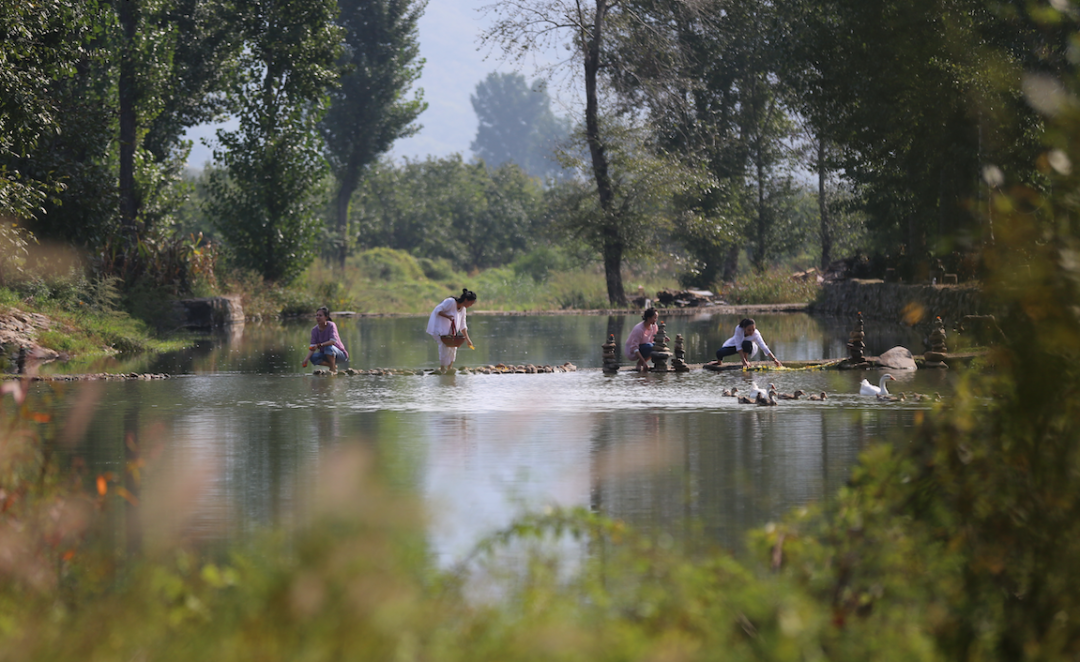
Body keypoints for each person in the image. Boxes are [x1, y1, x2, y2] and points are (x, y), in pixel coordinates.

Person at [426, 289, 477, 372]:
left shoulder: (463, 309)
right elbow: (437, 311)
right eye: (471, 303)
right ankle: (442, 368)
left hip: (451, 332)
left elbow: (463, 325)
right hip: (439, 329)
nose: (471, 305)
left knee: (454, 346)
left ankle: (449, 368)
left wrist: (468, 340)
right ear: (466, 300)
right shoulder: (450, 302)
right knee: (444, 346)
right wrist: (448, 316)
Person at [715, 318, 783, 369]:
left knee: (746, 343)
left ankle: (746, 360)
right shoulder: (739, 329)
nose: (751, 332)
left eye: (753, 329)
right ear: (744, 328)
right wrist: (743, 361)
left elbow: (764, 347)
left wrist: (774, 359)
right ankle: (719, 362)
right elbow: (738, 346)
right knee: (719, 352)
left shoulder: (756, 334)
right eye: (749, 330)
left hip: (749, 348)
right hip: (735, 345)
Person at [302, 306, 349, 372]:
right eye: (317, 315)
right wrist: (306, 359)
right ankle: (332, 366)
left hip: (340, 355)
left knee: (328, 347)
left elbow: (333, 341)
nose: (318, 317)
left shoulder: (331, 325)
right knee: (312, 357)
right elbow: (312, 347)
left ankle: (332, 370)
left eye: (320, 315)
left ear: (326, 317)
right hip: (326, 354)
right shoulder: (314, 330)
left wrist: (320, 345)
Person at [624, 308, 659, 372]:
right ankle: (640, 363)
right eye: (654, 317)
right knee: (650, 347)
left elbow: (655, 338)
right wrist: (643, 362)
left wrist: (663, 339)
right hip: (632, 351)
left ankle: (641, 363)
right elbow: (634, 347)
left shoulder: (654, 326)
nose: (656, 320)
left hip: (645, 346)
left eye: (656, 318)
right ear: (648, 318)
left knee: (657, 346)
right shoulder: (639, 329)